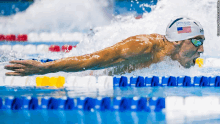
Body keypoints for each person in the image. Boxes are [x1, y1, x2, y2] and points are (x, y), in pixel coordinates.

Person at [4, 17, 205, 76]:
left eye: (202, 42)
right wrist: (46, 68)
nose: (201, 49)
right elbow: (93, 60)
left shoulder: (179, 57)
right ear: (177, 41)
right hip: (89, 78)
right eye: (197, 41)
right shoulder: (141, 48)